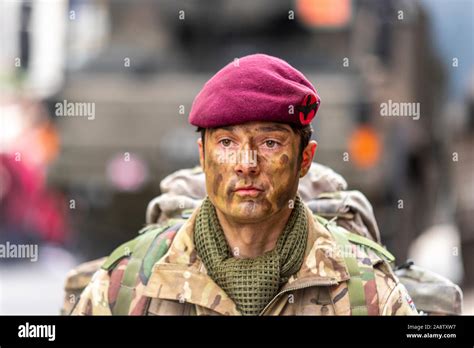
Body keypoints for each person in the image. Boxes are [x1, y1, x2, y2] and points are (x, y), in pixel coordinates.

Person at [69, 54, 417, 315]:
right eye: (226, 143)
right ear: (202, 156)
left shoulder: (368, 292)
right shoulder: (125, 286)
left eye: (270, 143)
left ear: (305, 160)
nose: (247, 165)